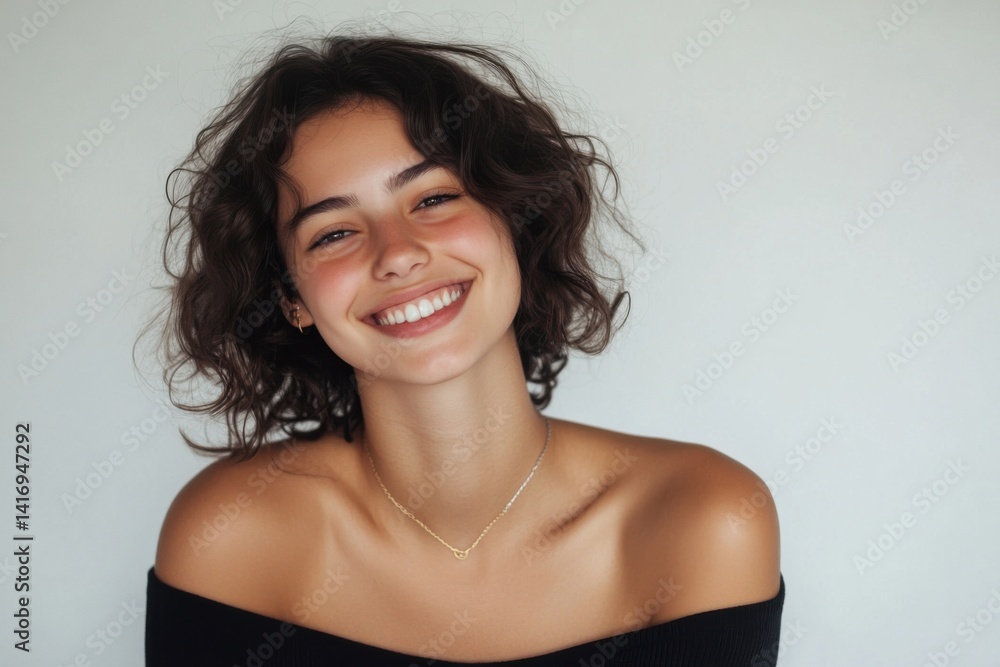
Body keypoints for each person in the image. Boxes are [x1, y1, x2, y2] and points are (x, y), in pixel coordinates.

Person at [145, 30, 784, 666]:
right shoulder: (230, 538)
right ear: (292, 301)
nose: (397, 253)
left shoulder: (706, 521)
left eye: (434, 198)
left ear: (514, 216)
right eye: (334, 232)